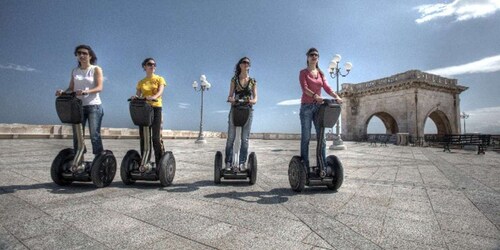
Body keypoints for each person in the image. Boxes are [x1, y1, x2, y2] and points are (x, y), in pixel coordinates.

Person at [299, 48, 343, 173]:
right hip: (306, 107)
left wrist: (336, 96)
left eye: (316, 55)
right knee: (306, 137)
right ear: (307, 57)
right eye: (312, 55)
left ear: (318, 58)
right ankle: (304, 166)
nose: (314, 57)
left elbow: (327, 87)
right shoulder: (303, 73)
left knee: (321, 138)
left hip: (319, 108)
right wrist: (315, 96)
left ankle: (322, 167)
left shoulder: (321, 73)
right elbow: (305, 88)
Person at [56, 44, 104, 156]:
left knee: (94, 135)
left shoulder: (95, 69)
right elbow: (71, 88)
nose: (81, 55)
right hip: (78, 106)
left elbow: (99, 87)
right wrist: (62, 92)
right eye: (79, 53)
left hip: (94, 106)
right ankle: (79, 157)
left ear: (90, 56)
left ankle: (99, 159)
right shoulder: (75, 71)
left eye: (84, 53)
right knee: (77, 135)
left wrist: (85, 91)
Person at [225, 57, 258, 171]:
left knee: (245, 139)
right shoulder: (234, 79)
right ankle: (228, 163)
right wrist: (231, 99)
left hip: (247, 110)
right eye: (244, 62)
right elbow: (230, 95)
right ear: (240, 65)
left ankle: (242, 163)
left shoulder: (253, 81)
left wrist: (252, 101)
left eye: (248, 63)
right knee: (231, 138)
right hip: (235, 109)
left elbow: (256, 98)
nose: (246, 64)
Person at [132, 58, 166, 165]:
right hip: (144, 109)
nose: (152, 66)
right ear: (144, 67)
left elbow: (160, 91)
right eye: (149, 64)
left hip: (156, 108)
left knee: (155, 137)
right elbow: (138, 94)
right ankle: (145, 161)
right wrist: (135, 97)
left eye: (154, 64)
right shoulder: (141, 82)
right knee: (144, 137)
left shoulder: (159, 79)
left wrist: (153, 97)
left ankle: (159, 162)